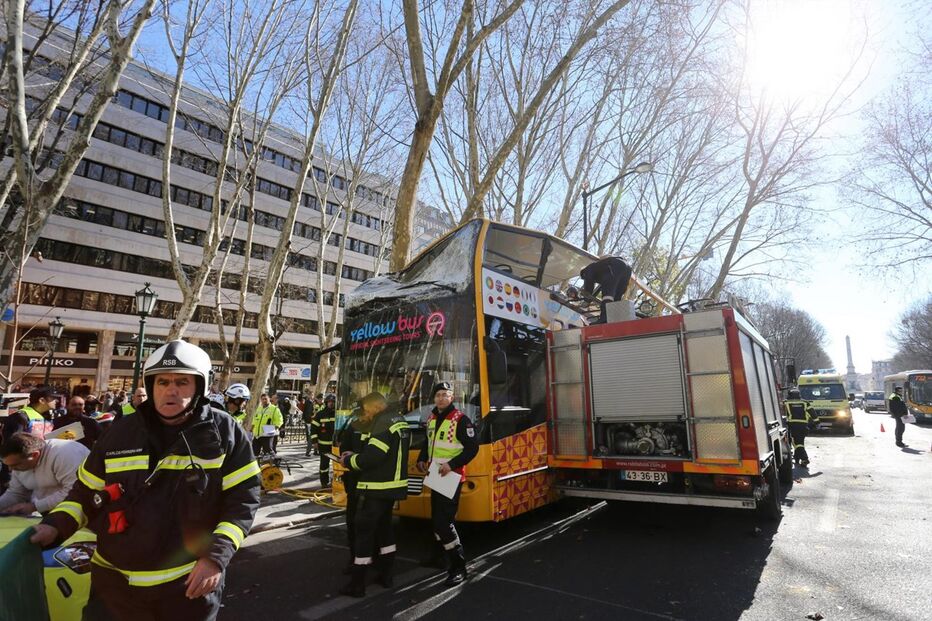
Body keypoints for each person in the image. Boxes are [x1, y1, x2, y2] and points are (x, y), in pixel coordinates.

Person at [30, 339, 261, 621]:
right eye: (162, 382)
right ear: (150, 386)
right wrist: (54, 526)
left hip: (186, 588)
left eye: (182, 382)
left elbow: (243, 501)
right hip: (114, 588)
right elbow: (84, 495)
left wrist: (215, 559)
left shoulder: (225, 432)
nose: (170, 391)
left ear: (200, 387)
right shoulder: (120, 432)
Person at [338, 392, 409, 597]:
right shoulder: (398, 419)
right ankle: (386, 575)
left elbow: (373, 457)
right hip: (392, 487)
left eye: (368, 410)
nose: (366, 414)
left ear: (377, 407)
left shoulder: (382, 422)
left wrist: (349, 460)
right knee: (385, 530)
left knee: (363, 532)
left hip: (377, 486)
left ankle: (357, 584)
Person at [416, 382, 479, 587]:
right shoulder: (432, 417)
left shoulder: (460, 419)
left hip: (451, 475)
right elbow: (428, 441)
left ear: (452, 398)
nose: (441, 398)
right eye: (438, 395)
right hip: (435, 473)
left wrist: (451, 465)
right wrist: (422, 458)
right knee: (437, 519)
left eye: (445, 395)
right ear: (434, 399)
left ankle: (459, 567)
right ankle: (439, 557)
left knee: (444, 522)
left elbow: (472, 448)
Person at [0, 433, 89, 515]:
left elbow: (75, 491)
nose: (10, 469)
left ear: (34, 455)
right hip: (50, 512)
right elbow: (16, 493)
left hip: (85, 510)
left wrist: (35, 506)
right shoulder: (19, 462)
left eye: (15, 465)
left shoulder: (66, 454)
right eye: (8, 465)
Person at [580, 256, 634, 323]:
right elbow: (600, 288)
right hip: (628, 269)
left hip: (615, 265)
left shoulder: (588, 269)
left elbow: (589, 285)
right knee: (617, 297)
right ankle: (614, 320)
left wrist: (586, 300)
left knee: (607, 295)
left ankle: (604, 319)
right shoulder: (600, 269)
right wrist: (590, 298)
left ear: (583, 274)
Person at [784, 389, 816, 467]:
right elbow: (812, 412)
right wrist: (817, 422)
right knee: (800, 441)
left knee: (797, 443)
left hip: (793, 425)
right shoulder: (805, 402)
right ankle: (797, 457)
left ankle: (805, 459)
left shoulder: (786, 402)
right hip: (803, 425)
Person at [311, 394, 336, 487]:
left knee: (337, 465)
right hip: (323, 445)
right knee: (324, 465)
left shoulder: (338, 414)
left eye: (333, 402)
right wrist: (314, 442)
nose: (331, 404)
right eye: (329, 402)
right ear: (326, 402)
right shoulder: (320, 414)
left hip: (335, 445)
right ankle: (324, 482)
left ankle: (337, 481)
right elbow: (313, 429)